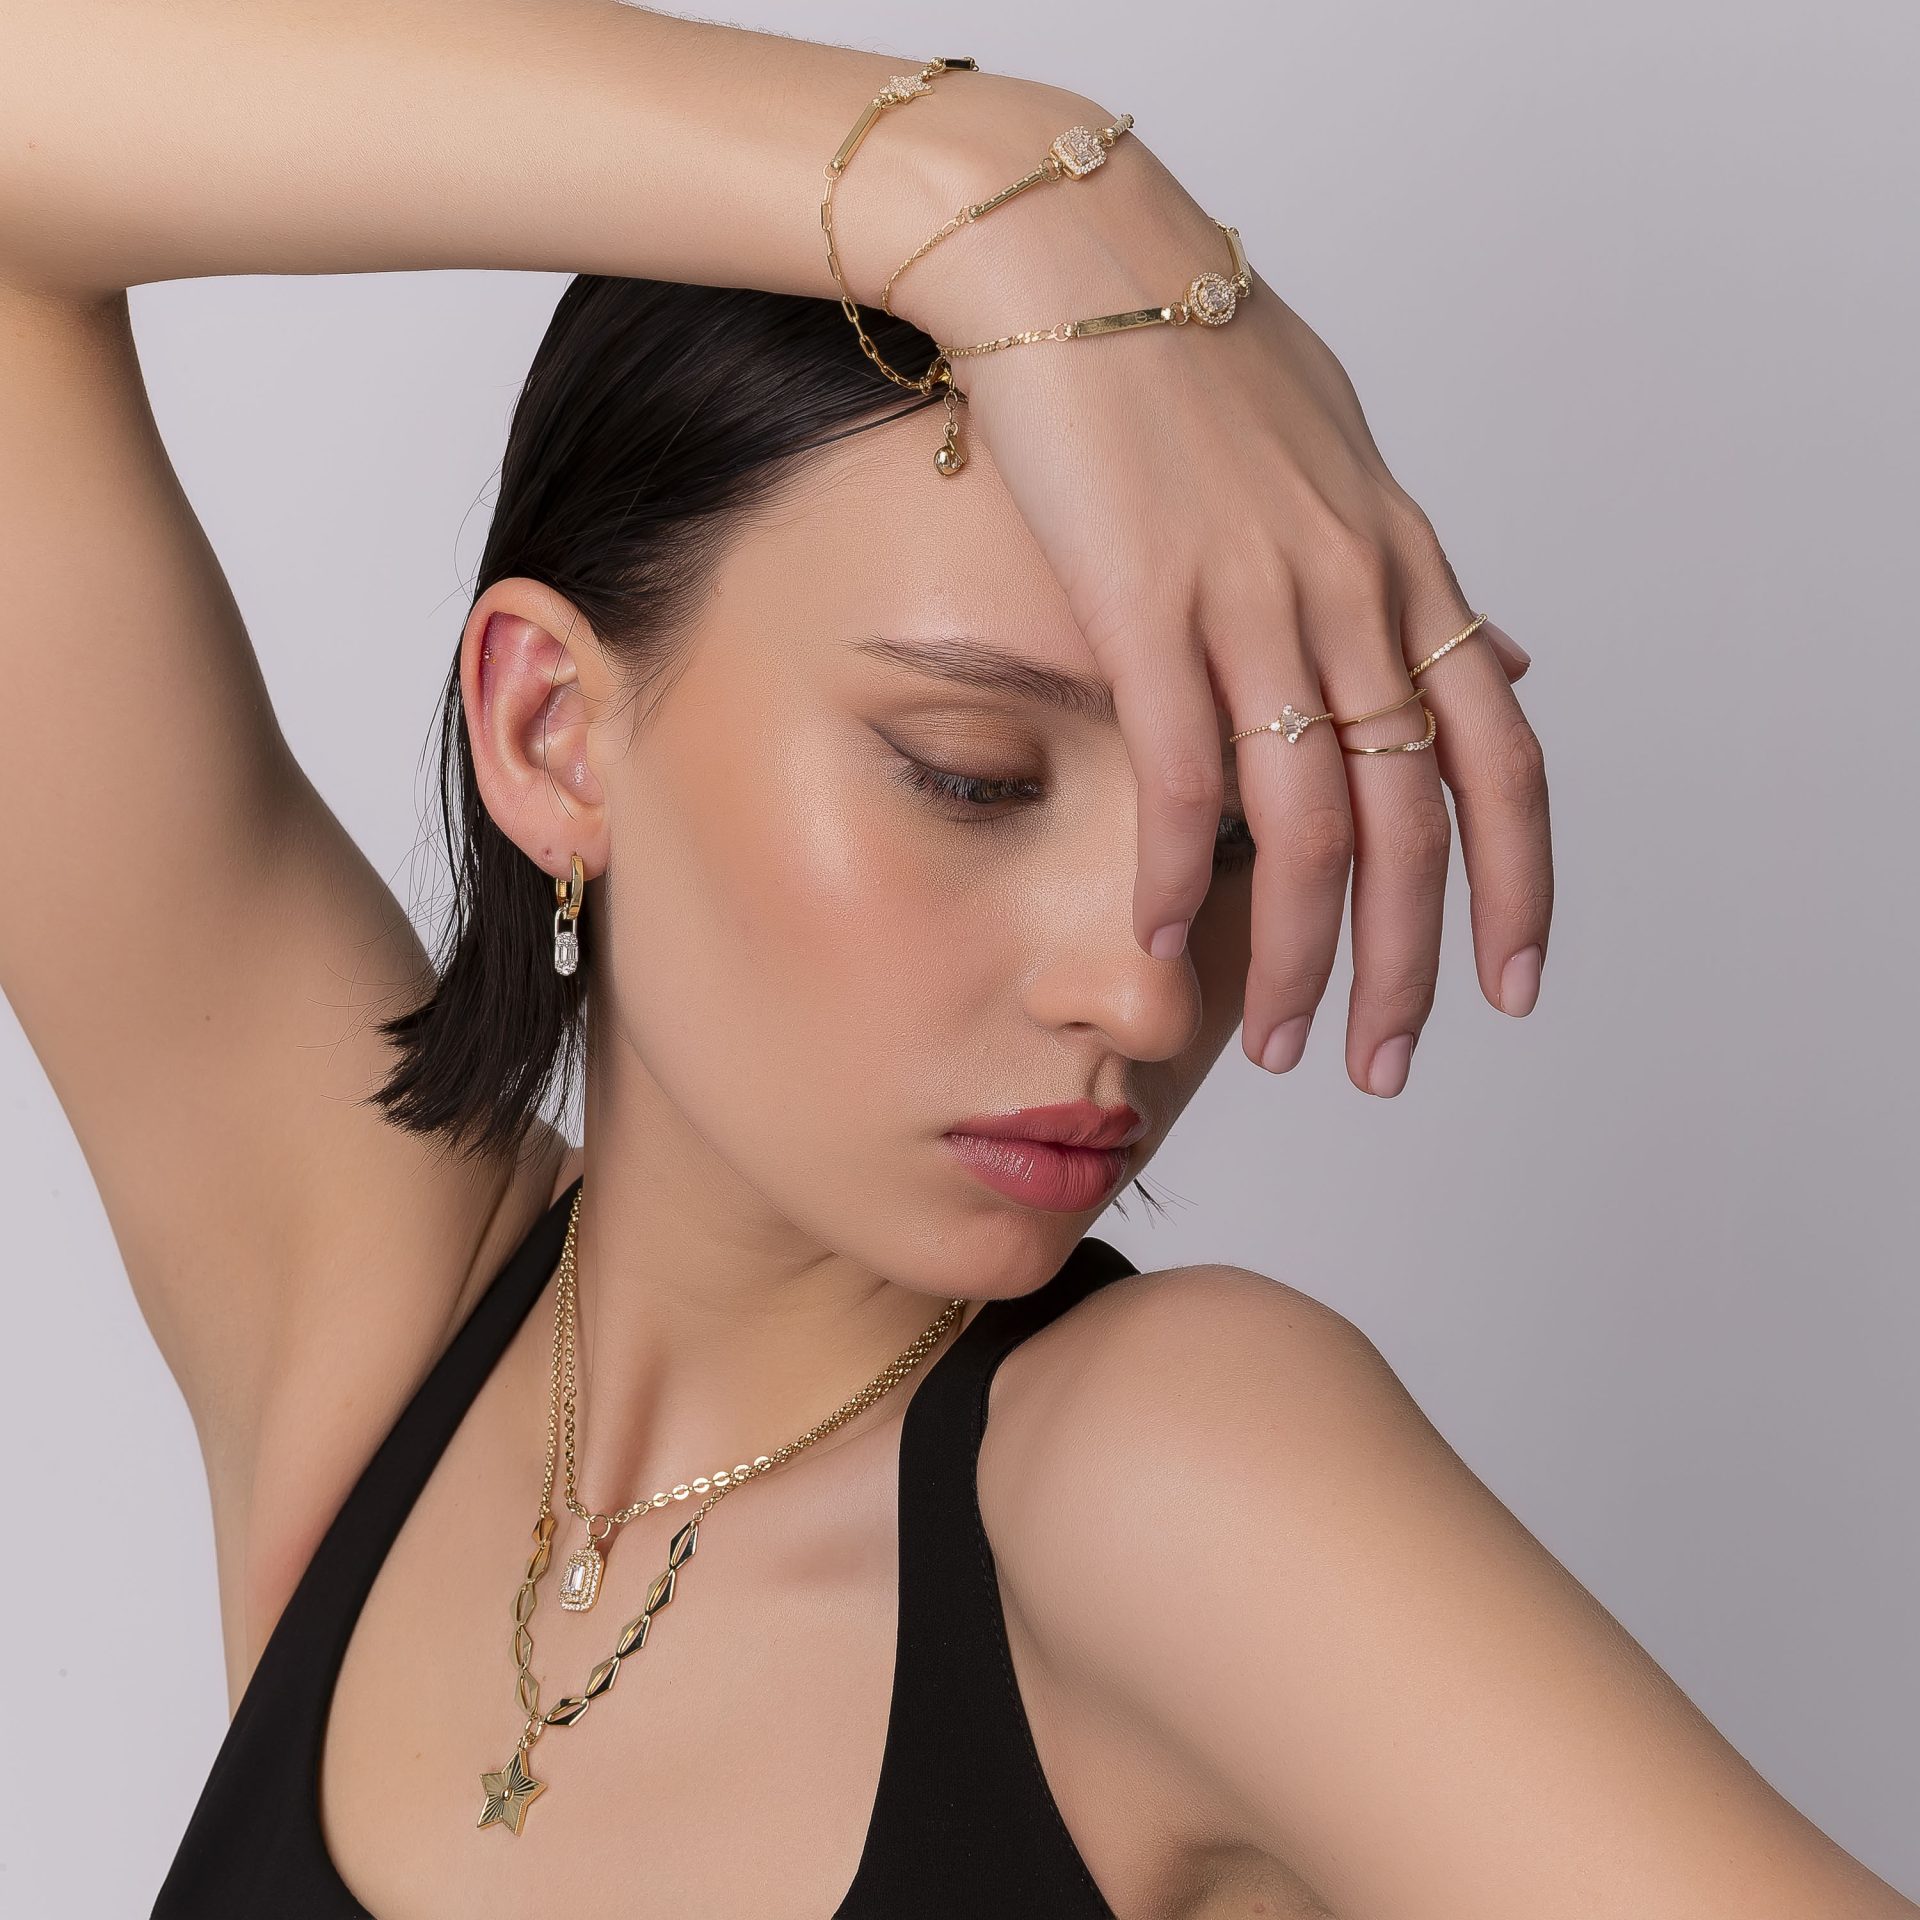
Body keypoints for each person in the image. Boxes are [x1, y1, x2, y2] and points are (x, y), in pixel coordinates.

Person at [1, 3, 1907, 1917]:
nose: (1148, 996)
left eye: (1232, 838)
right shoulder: (367, 1306)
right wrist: (987, 188)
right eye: (974, 776)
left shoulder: (1177, 1483)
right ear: (552, 732)